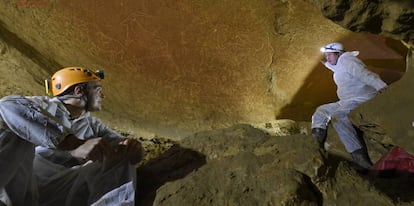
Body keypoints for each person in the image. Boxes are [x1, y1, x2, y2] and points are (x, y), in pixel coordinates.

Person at [0, 67, 142, 206]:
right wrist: (72, 143)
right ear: (79, 91)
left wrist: (131, 147)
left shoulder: (92, 124)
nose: (103, 96)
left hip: (58, 189)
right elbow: (5, 106)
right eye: (98, 90)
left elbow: (120, 144)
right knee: (11, 128)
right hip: (20, 183)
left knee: (120, 157)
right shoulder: (41, 105)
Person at [311, 42, 387, 169]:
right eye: (326, 55)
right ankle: (314, 142)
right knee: (321, 111)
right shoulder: (340, 64)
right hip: (347, 100)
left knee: (339, 117)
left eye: (329, 55)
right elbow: (336, 68)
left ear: (338, 53)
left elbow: (364, 74)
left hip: (361, 98)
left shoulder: (348, 61)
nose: (327, 58)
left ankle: (360, 159)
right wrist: (323, 62)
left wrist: (381, 86)